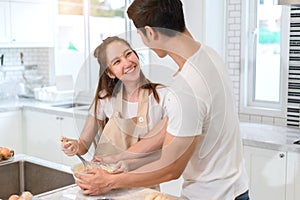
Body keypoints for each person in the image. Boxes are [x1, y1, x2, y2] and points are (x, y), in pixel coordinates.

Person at [75, 1, 250, 200]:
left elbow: (171, 167)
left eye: (139, 34)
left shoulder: (186, 90)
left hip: (212, 196)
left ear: (151, 32)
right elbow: (169, 126)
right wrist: (123, 157)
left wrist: (110, 181)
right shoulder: (209, 56)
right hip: (236, 189)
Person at [61, 36, 169, 173]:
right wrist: (74, 146)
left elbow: (167, 150)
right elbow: (83, 145)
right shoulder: (105, 99)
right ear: (110, 73)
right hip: (103, 181)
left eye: (128, 54)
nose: (127, 63)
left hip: (144, 185)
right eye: (117, 62)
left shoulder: (162, 96)